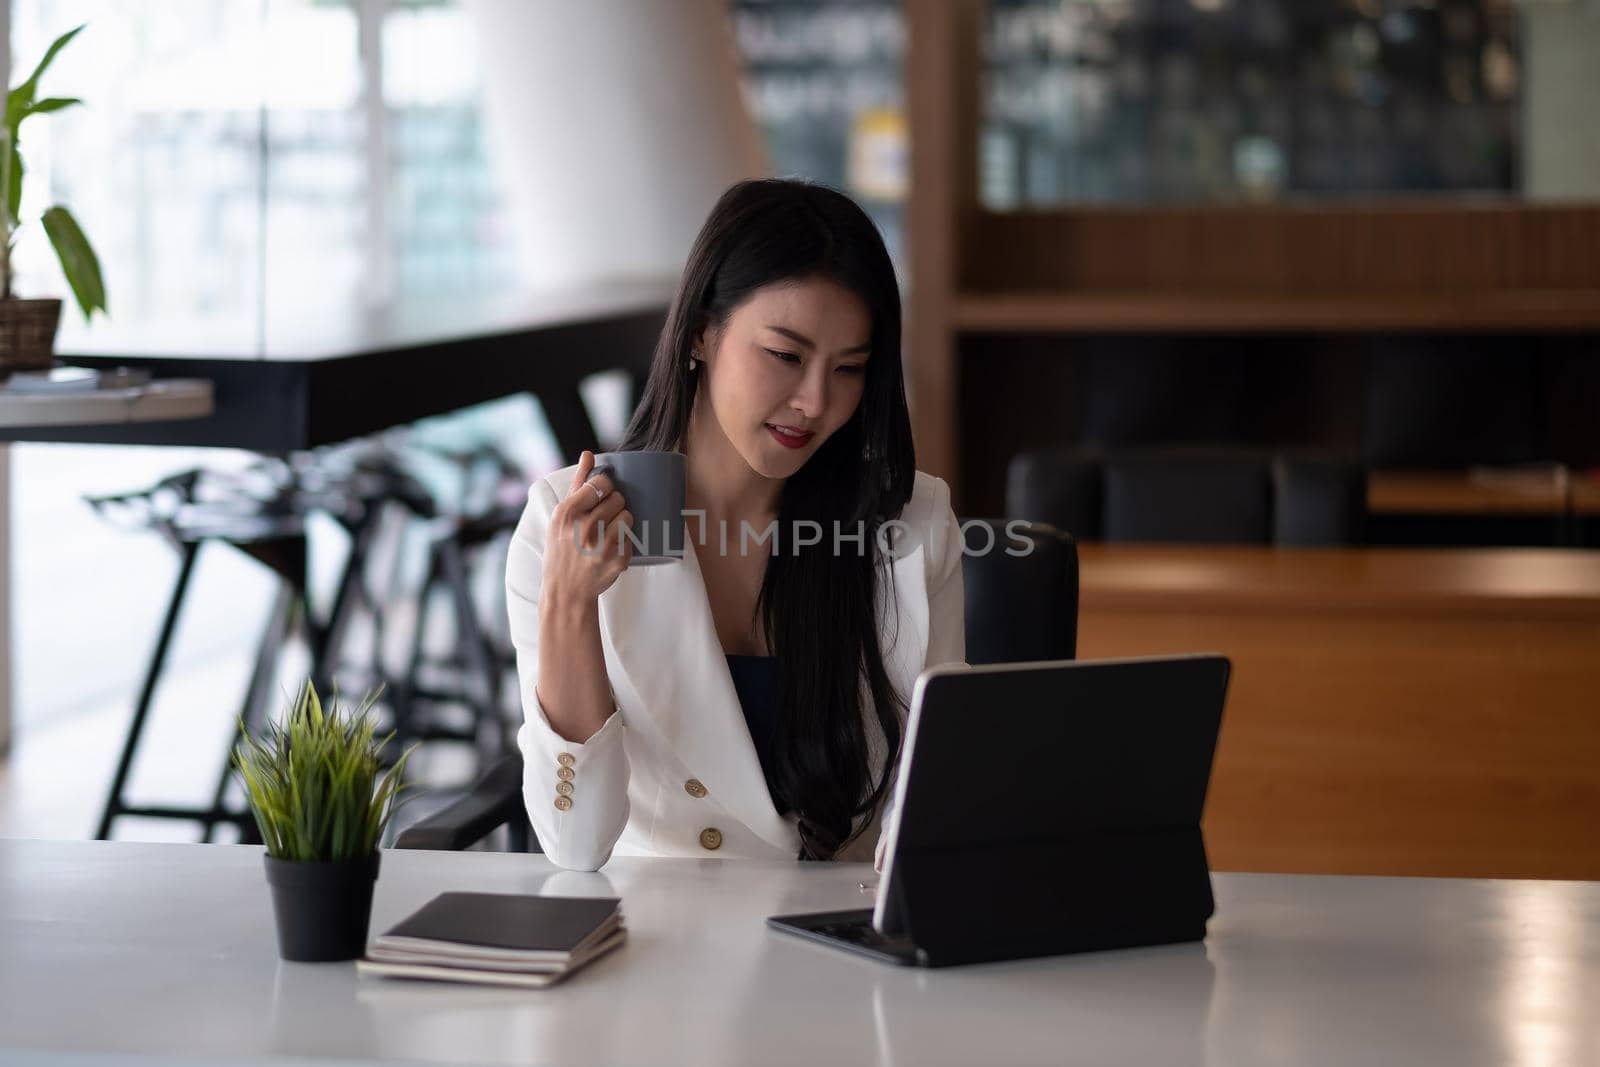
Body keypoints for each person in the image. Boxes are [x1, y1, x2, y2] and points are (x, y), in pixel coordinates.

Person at [507, 178, 965, 871]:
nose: (814, 401)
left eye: (850, 369)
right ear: (700, 331)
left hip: (841, 940)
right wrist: (569, 602)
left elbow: (937, 798)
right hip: (658, 941)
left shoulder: (911, 523)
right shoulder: (567, 520)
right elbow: (575, 845)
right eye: (785, 355)